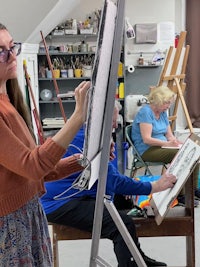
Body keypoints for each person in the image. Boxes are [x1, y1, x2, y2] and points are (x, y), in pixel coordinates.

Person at [41, 105, 177, 267]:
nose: (115, 125)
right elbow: (112, 181)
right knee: (122, 224)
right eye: (113, 120)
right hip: (59, 203)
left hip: (77, 193)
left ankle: (137, 257)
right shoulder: (87, 139)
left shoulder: (91, 134)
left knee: (123, 202)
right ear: (101, 119)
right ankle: (131, 263)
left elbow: (107, 177)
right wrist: (155, 186)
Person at [0, 22, 90, 266]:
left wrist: (83, 160)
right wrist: (77, 117)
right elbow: (33, 166)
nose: (11, 55)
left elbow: (33, 173)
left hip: (26, 214)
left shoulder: (8, 101)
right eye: (1, 51)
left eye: (11, 47)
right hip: (9, 224)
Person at [131, 85, 199, 206]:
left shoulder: (162, 113)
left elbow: (169, 135)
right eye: (166, 103)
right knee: (180, 156)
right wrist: (168, 144)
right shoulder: (146, 112)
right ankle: (181, 194)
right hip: (147, 150)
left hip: (162, 147)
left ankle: (191, 190)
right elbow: (147, 139)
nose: (168, 106)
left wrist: (178, 143)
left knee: (193, 154)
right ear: (158, 100)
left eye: (169, 103)